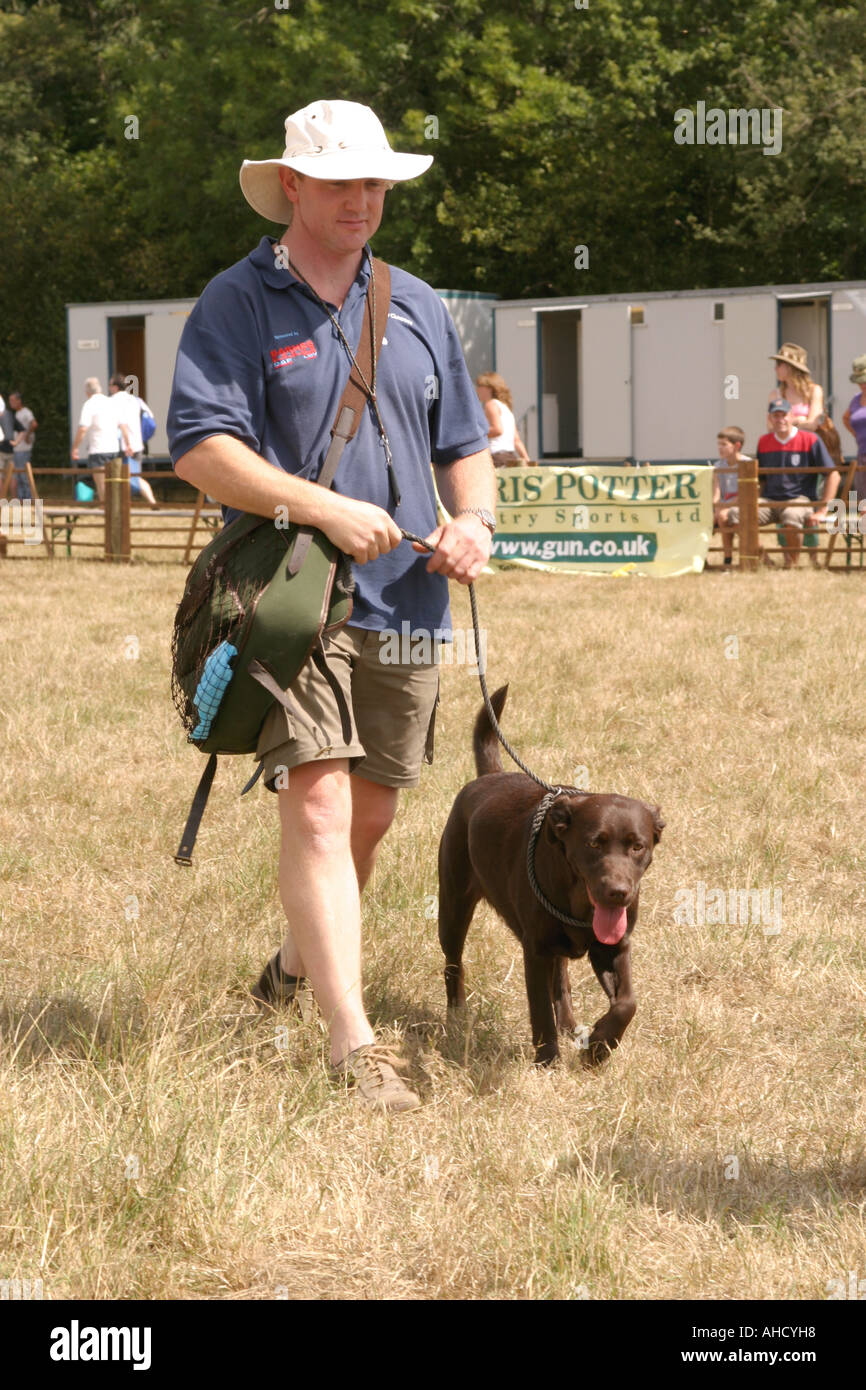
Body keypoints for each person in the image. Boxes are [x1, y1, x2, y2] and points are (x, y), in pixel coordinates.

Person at [167, 99, 495, 1113]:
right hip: (289, 596)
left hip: (408, 595)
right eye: (344, 181)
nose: (364, 199)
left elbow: (464, 448)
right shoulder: (236, 301)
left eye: (377, 183)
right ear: (293, 188)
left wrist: (474, 525)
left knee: (375, 808)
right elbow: (200, 449)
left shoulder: (421, 304)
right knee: (315, 799)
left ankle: (295, 962)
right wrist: (322, 507)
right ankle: (353, 1046)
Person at [728, 399, 839, 567]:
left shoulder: (811, 439)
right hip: (769, 500)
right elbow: (761, 480)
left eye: (784, 415)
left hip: (799, 499)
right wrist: (749, 501)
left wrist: (823, 509)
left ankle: (791, 566)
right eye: (775, 415)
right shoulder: (763, 441)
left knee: (791, 515)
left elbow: (833, 475)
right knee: (736, 513)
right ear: (770, 418)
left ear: (792, 416)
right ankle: (765, 560)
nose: (780, 419)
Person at [70, 377, 131, 503]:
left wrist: (75, 448)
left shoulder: (89, 404)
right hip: (114, 449)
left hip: (98, 450)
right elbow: (123, 426)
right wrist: (128, 444)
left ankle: (106, 509)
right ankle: (115, 507)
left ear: (87, 392)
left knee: (101, 483)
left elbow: (83, 429)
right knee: (114, 482)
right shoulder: (111, 402)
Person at [107, 374, 160, 509]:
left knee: (120, 477)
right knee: (135, 476)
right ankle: (152, 502)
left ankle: (120, 506)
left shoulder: (113, 401)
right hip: (138, 445)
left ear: (114, 387)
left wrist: (127, 444)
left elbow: (121, 424)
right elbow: (150, 420)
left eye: (110, 385)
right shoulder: (137, 400)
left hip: (123, 446)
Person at [711, 425, 750, 568]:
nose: (719, 448)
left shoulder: (747, 464)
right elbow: (716, 492)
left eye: (724, 444)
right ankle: (700, 559)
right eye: (718, 444)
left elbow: (746, 493)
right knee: (712, 519)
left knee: (724, 517)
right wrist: (716, 508)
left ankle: (728, 559)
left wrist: (723, 509)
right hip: (724, 504)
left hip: (741, 504)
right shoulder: (718, 466)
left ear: (737, 446)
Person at [475, 372, 530, 466]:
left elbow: (497, 430)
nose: (476, 390)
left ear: (489, 388)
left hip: (496, 457)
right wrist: (527, 460)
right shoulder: (506, 408)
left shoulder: (490, 404)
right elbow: (516, 440)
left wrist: (476, 433)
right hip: (510, 457)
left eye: (479, 386)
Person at [841, 353, 866, 527]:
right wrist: (858, 435)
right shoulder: (856, 400)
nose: (861, 384)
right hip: (862, 456)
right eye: (859, 380)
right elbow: (846, 418)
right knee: (864, 506)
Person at [7, 390, 37, 501]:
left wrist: (28, 436)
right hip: (17, 449)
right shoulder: (17, 413)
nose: (11, 402)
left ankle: (28, 498)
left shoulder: (26, 412)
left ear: (19, 401)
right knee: (18, 475)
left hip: (23, 449)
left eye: (13, 400)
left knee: (23, 475)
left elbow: (33, 424)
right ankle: (22, 499)